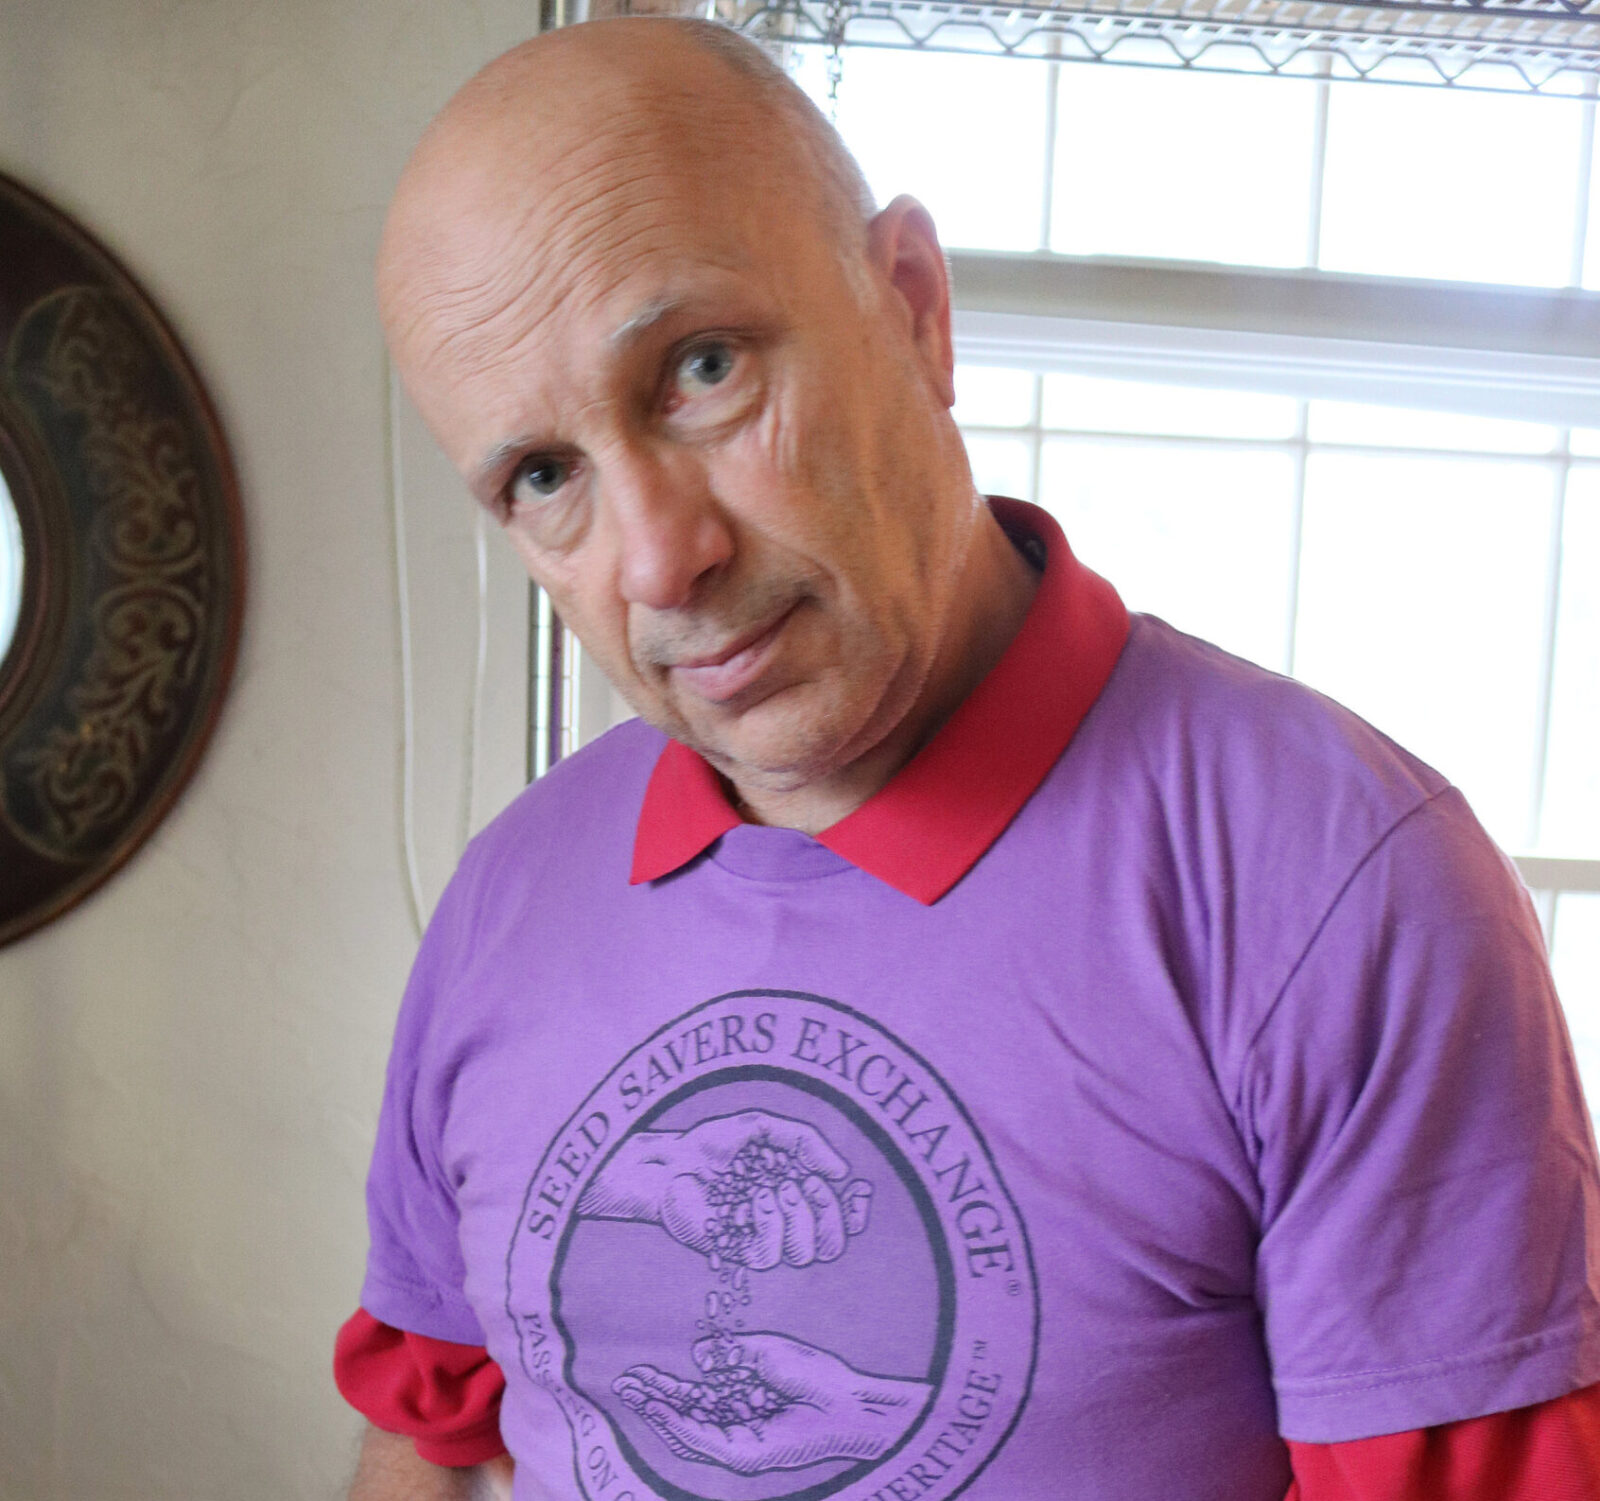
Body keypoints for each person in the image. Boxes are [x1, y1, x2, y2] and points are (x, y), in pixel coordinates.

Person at [336, 17, 1600, 1501]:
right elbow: (426, 1438)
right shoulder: (506, 903)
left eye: (701, 369)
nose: (661, 559)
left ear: (914, 309)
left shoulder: (1342, 884)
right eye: (543, 475)